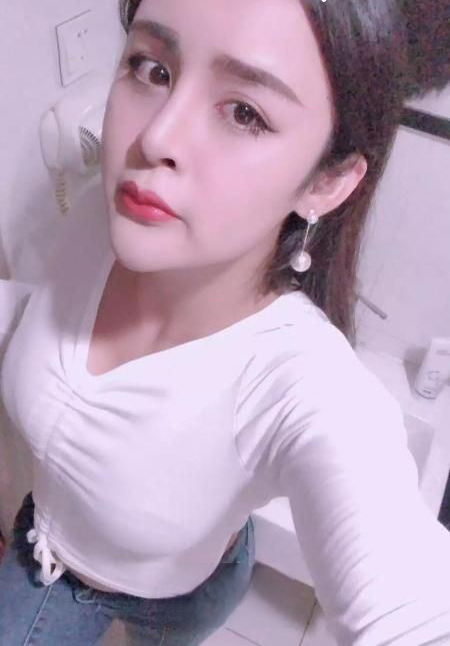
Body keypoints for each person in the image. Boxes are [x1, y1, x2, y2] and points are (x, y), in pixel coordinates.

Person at [0, 0, 449, 644]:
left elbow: (411, 609)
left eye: (245, 113)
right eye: (152, 69)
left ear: (325, 183)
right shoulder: (106, 216)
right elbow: (42, 313)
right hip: (48, 564)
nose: (156, 139)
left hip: (193, 592)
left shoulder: (306, 386)